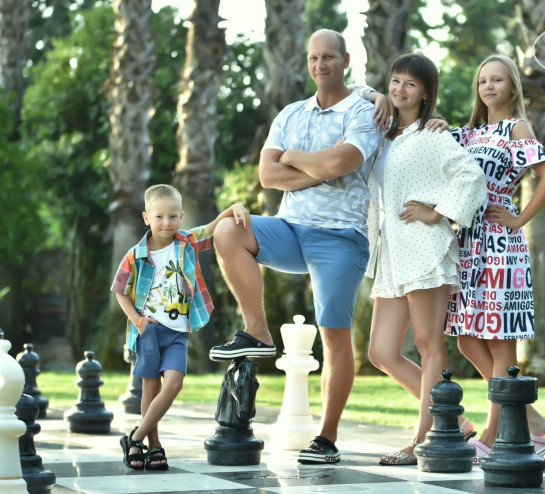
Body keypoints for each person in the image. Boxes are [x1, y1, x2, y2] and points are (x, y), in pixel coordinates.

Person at [208, 29, 382, 465]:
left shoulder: (364, 111)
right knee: (227, 230)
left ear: (345, 60)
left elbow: (343, 161)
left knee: (333, 336)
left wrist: (292, 157)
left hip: (341, 237)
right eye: (313, 58)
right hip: (289, 229)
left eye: (329, 57)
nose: (320, 65)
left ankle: (327, 437)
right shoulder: (290, 114)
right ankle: (257, 330)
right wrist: (318, 167)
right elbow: (268, 175)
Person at [428, 54, 545, 463]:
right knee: (468, 338)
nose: (488, 86)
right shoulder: (468, 134)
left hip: (501, 244)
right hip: (468, 243)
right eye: (483, 80)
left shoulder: (514, 128)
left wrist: (519, 218)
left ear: (512, 87)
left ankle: (493, 434)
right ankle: (532, 421)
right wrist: (437, 125)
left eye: (497, 80)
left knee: (498, 340)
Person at [363, 53, 486, 466]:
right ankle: (454, 421)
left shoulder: (433, 135)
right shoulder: (385, 134)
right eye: (395, 81)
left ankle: (423, 440)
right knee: (382, 352)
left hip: (426, 248)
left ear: (426, 93)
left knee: (428, 345)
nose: (400, 89)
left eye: (410, 84)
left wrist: (438, 212)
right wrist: (377, 95)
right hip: (392, 253)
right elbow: (355, 92)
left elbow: (471, 177)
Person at [112, 183, 250, 470]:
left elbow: (211, 229)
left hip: (177, 332)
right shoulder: (135, 255)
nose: (167, 222)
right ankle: (154, 446)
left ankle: (134, 438)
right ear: (146, 218)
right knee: (150, 389)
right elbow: (119, 291)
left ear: (181, 216)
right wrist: (139, 322)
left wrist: (232, 209)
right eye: (159, 216)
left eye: (173, 216)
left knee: (174, 383)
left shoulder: (186, 242)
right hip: (148, 331)